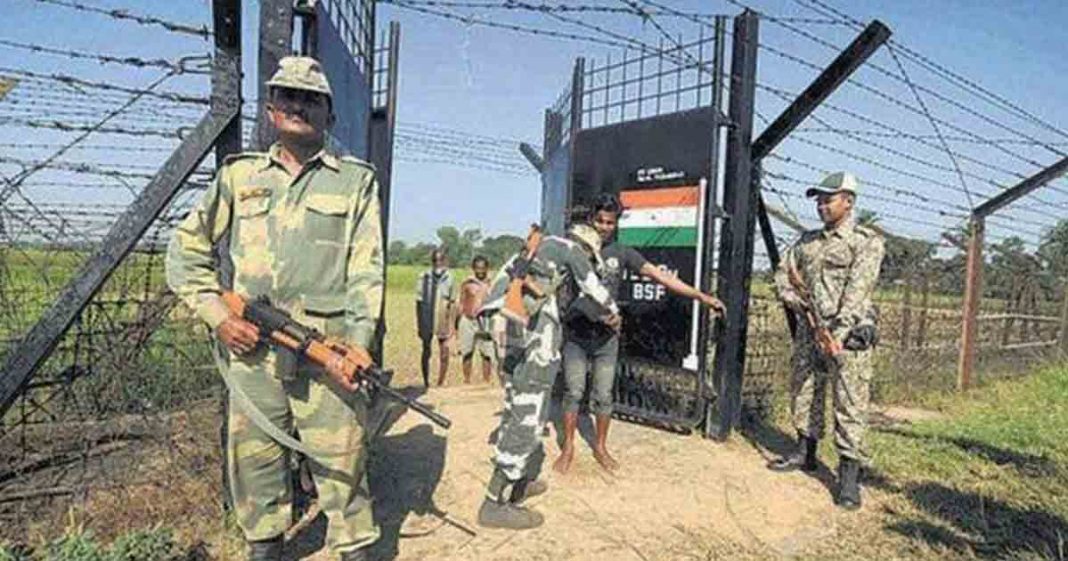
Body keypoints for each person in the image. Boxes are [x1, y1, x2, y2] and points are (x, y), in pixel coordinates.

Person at [166, 56, 382, 561]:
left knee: (342, 470)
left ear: (329, 113)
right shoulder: (239, 177)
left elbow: (367, 272)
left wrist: (358, 346)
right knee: (257, 472)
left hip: (326, 352)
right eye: (287, 96)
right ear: (270, 110)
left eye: (311, 98)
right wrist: (220, 318)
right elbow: (186, 253)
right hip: (253, 354)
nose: (298, 105)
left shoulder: (354, 181)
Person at [554, 194, 725, 474]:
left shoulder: (623, 253)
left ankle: (600, 447)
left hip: (606, 338)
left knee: (604, 395)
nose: (604, 227)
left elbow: (662, 277)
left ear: (616, 224)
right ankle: (569, 446)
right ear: (591, 220)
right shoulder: (574, 250)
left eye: (610, 222)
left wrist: (702, 296)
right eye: (599, 221)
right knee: (573, 391)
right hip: (576, 334)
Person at [477, 221, 620, 530]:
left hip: (507, 329)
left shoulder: (536, 251)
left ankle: (516, 483)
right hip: (521, 333)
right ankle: (493, 502)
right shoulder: (568, 249)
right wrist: (613, 310)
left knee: (517, 404)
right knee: (528, 413)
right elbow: (592, 286)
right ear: (584, 246)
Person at [767, 172, 885, 511]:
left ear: (848, 202)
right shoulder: (806, 242)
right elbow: (783, 274)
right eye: (818, 199)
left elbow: (858, 293)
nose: (821, 205)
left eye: (827, 199)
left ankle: (848, 474)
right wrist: (795, 300)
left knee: (849, 401)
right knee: (804, 389)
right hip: (810, 331)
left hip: (848, 336)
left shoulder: (866, 241)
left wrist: (838, 333)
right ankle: (805, 451)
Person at [415, 248, 455, 387]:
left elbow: (452, 302)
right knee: (426, 350)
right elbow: (418, 302)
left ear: (445, 261)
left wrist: (452, 325)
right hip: (427, 317)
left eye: (440, 260)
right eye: (435, 260)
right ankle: (426, 382)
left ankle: (440, 383)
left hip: (442, 318)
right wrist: (420, 325)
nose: (438, 263)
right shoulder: (423, 277)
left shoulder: (449, 277)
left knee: (444, 351)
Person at [456, 255, 495, 384]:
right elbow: (461, 302)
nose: (480, 271)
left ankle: (486, 381)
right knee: (467, 352)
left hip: (485, 320)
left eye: (483, 268)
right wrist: (456, 323)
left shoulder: (492, 284)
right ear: (473, 269)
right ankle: (467, 380)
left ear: (487, 269)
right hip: (468, 320)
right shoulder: (467, 283)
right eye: (478, 268)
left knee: (487, 353)